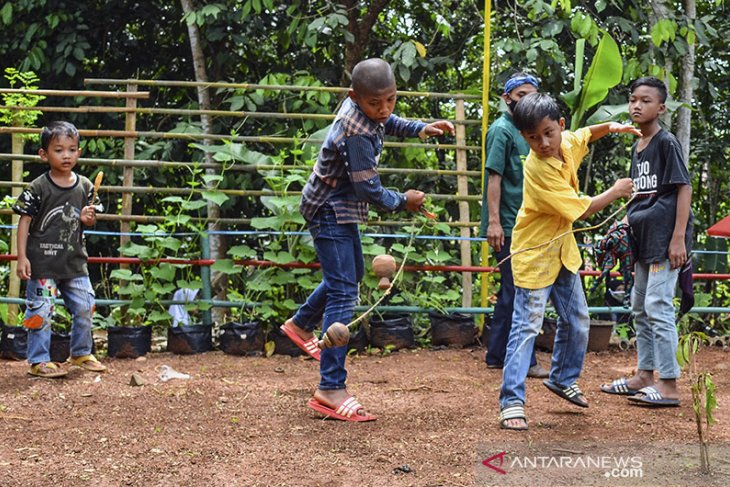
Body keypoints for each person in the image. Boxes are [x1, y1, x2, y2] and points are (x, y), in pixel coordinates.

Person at [279, 58, 455, 421]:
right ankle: (330, 387)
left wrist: (419, 128)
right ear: (354, 97)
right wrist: (404, 201)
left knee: (349, 276)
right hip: (330, 209)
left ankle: (300, 324)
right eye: (376, 103)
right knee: (344, 290)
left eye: (390, 100)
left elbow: (387, 121)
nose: (385, 109)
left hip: (337, 207)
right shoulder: (355, 131)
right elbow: (368, 188)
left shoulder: (368, 111)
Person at [498, 93, 639, 430]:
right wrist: (616, 191)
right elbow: (580, 209)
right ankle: (511, 401)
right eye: (533, 138)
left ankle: (562, 377)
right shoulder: (538, 168)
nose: (543, 143)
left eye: (548, 133)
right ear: (524, 138)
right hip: (534, 255)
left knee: (577, 320)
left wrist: (614, 127)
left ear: (560, 126)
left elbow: (587, 134)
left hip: (562, 252)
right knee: (527, 326)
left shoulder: (568, 142)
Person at [600, 77, 693, 407]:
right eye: (633, 99)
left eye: (646, 100)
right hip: (643, 239)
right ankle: (644, 375)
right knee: (639, 307)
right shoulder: (637, 147)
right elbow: (640, 197)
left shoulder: (666, 143)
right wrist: (624, 223)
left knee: (657, 306)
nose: (637, 105)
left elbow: (683, 188)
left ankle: (668, 385)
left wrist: (678, 238)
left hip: (665, 241)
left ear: (661, 108)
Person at [13, 121, 106, 378]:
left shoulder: (86, 186)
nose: (66, 155)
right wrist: (22, 257)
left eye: (72, 149)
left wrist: (89, 218)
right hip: (42, 264)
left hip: (74, 263)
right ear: (44, 154)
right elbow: (24, 222)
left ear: (79, 152)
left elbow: (88, 219)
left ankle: (80, 353)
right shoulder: (38, 187)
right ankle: (39, 360)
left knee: (86, 306)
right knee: (41, 311)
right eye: (59, 150)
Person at [481, 72, 548, 379]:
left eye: (532, 96)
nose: (527, 101)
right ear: (507, 98)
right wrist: (494, 223)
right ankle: (525, 359)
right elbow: (493, 177)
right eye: (521, 95)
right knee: (520, 289)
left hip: (527, 224)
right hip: (507, 224)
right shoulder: (501, 130)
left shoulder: (527, 132)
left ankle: (497, 354)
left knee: (514, 289)